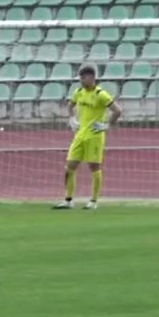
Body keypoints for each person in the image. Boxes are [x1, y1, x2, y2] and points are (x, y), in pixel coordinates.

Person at [55, 65, 123, 210]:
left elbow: (117, 110)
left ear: (92, 77)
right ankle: (68, 200)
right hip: (80, 135)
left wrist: (107, 125)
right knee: (70, 166)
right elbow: (70, 105)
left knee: (94, 167)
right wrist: (72, 118)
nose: (81, 80)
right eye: (80, 78)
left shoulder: (101, 94)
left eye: (83, 77)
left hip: (94, 136)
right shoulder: (78, 92)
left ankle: (93, 201)